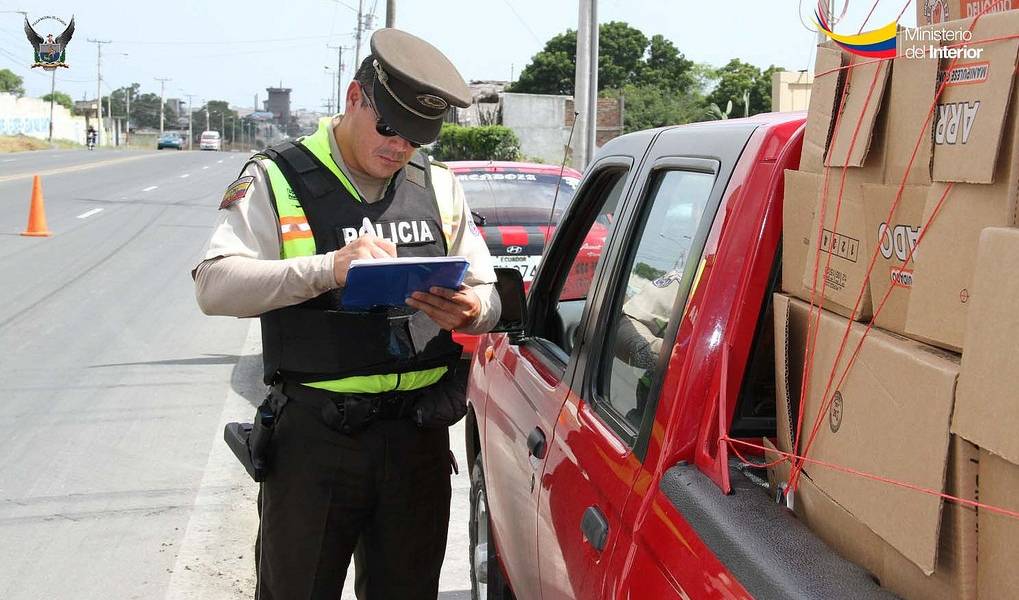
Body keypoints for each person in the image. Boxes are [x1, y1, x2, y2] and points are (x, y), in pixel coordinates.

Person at [193, 28, 501, 599]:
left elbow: (487, 289)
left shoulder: (438, 186)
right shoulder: (277, 177)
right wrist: (328, 268)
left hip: (419, 437)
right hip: (317, 441)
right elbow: (213, 285)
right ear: (356, 97)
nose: (399, 146)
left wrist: (472, 308)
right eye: (389, 127)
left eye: (415, 136)